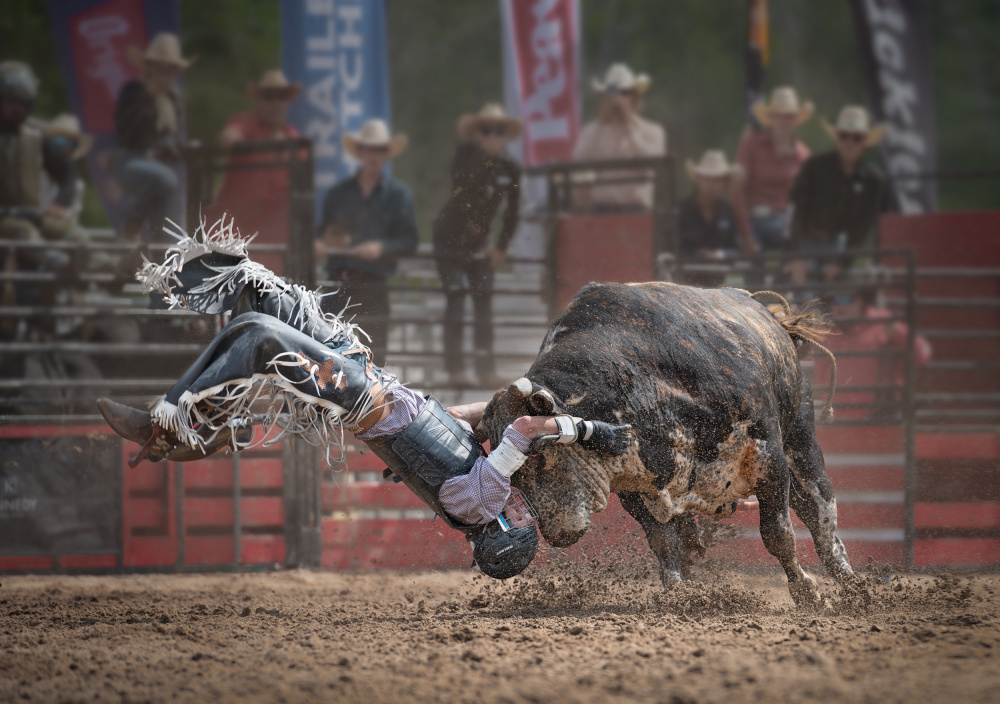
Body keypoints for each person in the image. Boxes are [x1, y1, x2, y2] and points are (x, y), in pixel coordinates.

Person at [97, 219, 631, 579]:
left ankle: (169, 423)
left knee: (258, 334)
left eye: (524, 519)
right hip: (363, 373)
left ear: (505, 530)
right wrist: (497, 406)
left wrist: (588, 431)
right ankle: (200, 400)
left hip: (363, 396)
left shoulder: (483, 501)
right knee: (260, 294)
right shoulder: (477, 490)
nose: (525, 509)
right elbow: (470, 420)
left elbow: (522, 433)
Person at [314, 119, 418, 366]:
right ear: (360, 152)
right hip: (338, 283)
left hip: (373, 285)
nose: (373, 155)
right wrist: (322, 243)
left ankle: (370, 404)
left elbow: (409, 240)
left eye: (379, 149)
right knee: (326, 355)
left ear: (387, 154)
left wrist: (381, 248)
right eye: (368, 148)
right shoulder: (338, 193)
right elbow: (322, 233)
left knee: (374, 358)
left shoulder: (398, 195)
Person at [433, 103, 522, 389]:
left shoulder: (510, 168)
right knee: (457, 297)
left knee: (483, 303)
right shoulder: (465, 157)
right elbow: (463, 189)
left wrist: (501, 247)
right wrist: (484, 160)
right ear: (477, 135)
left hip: (480, 244)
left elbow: (512, 212)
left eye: (499, 131)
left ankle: (485, 369)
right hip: (450, 240)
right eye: (487, 131)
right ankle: (456, 369)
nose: (493, 136)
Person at [0, 61, 77, 350]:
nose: (15, 110)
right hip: (9, 224)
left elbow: (67, 172)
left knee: (73, 234)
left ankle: (109, 269)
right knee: (25, 235)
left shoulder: (35, 136)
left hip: (31, 218)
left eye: (21, 104)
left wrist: (61, 201)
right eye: (9, 103)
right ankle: (54, 259)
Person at [785, 106, 898, 287]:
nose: (849, 142)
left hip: (836, 245)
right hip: (803, 241)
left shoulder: (874, 181)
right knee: (793, 288)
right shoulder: (814, 167)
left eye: (857, 137)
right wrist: (795, 255)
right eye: (844, 135)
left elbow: (862, 228)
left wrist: (842, 263)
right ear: (836, 138)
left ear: (865, 142)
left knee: (844, 293)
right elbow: (794, 210)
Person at [210, 69, 303, 268]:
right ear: (258, 101)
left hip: (273, 239)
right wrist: (237, 141)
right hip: (232, 232)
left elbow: (301, 198)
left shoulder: (295, 141)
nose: (275, 103)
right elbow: (228, 138)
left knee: (268, 294)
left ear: (288, 102)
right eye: (268, 97)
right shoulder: (244, 122)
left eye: (281, 97)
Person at [815, 278, 931, 420]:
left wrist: (899, 333)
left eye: (845, 299)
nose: (839, 305)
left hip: (880, 417)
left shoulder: (884, 322)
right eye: (835, 300)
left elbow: (922, 354)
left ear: (861, 300)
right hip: (836, 419)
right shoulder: (823, 330)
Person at [114, 33, 192, 243]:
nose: (165, 73)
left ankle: (162, 272)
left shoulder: (174, 99)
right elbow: (125, 132)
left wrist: (181, 149)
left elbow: (171, 139)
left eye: (170, 68)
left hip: (162, 172)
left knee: (168, 238)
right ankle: (131, 225)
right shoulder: (133, 91)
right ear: (149, 66)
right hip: (132, 162)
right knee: (165, 179)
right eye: (160, 66)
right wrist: (146, 97)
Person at [572, 63, 666, 212]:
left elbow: (652, 163)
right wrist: (601, 123)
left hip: (637, 210)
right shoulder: (592, 131)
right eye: (612, 92)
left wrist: (628, 124)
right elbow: (579, 161)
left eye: (624, 93)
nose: (618, 98)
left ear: (634, 96)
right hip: (601, 210)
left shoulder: (653, 131)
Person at [732, 86, 813, 254]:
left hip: (789, 224)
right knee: (752, 263)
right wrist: (746, 233)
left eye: (789, 116)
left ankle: (788, 278)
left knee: (802, 255)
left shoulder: (804, 155)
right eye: (779, 115)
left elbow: (808, 200)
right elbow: (737, 190)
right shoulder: (750, 144)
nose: (784, 121)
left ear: (796, 119)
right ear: (770, 118)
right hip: (754, 220)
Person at [677, 150, 744, 287]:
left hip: (717, 287)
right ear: (698, 180)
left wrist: (718, 255)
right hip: (682, 286)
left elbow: (736, 249)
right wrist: (700, 257)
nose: (712, 185)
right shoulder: (679, 210)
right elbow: (669, 251)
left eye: (718, 180)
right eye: (707, 178)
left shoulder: (727, 211)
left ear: (725, 184)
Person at [40, 113, 94, 242]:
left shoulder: (77, 184)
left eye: (72, 144)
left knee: (81, 238)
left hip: (58, 238)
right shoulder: (33, 171)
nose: (67, 147)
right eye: (61, 141)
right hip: (30, 231)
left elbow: (70, 217)